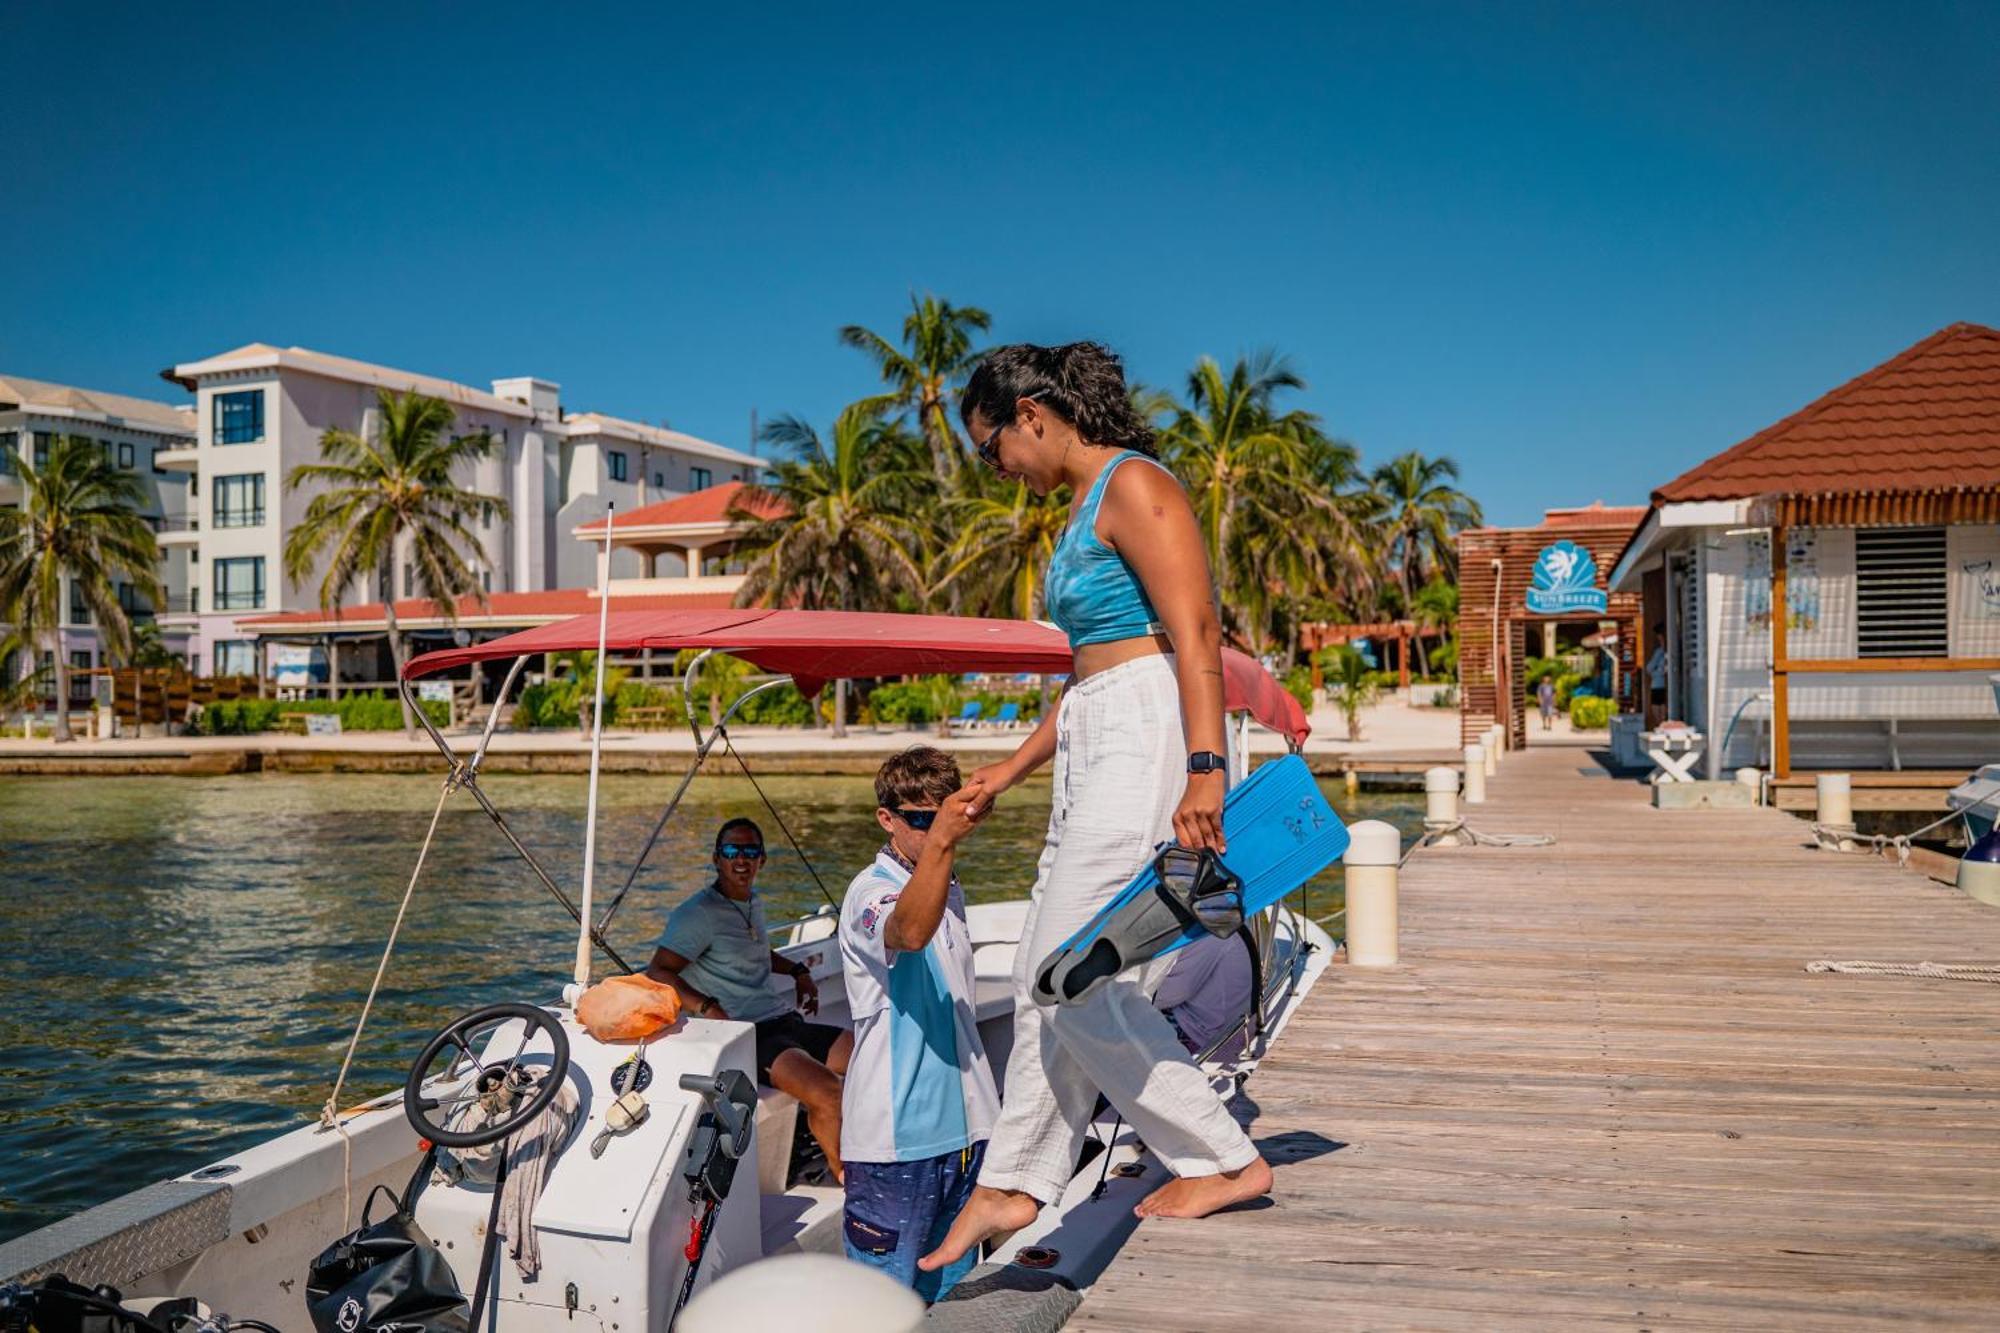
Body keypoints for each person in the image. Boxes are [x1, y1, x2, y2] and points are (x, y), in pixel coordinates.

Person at [921, 342, 1272, 1275]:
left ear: (1031, 414)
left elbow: (1193, 633)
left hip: (1152, 730)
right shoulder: (1085, 506)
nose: (996, 468)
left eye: (992, 447)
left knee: (1056, 971)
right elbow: (1090, 674)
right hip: (1095, 730)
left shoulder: (1136, 484)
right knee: (1061, 963)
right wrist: (1009, 769)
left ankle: (1223, 1156)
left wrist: (1205, 769)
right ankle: (1018, 1177)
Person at [836, 747, 999, 1300]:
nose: (935, 832)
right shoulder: (868, 890)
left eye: (945, 816)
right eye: (921, 821)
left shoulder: (947, 882)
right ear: (887, 819)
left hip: (968, 1137)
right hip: (894, 1146)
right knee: (878, 1304)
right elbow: (907, 931)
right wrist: (947, 839)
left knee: (953, 1299)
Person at [645, 817, 853, 1175]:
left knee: (872, 1057)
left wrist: (798, 972)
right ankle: (847, 1177)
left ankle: (877, 1153)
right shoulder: (699, 914)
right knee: (827, 1089)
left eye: (750, 851)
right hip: (750, 1034)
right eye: (731, 851)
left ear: (762, 859)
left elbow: (753, 953)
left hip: (784, 1019)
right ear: (716, 858)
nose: (741, 859)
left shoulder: (751, 902)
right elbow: (659, 970)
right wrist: (707, 1006)